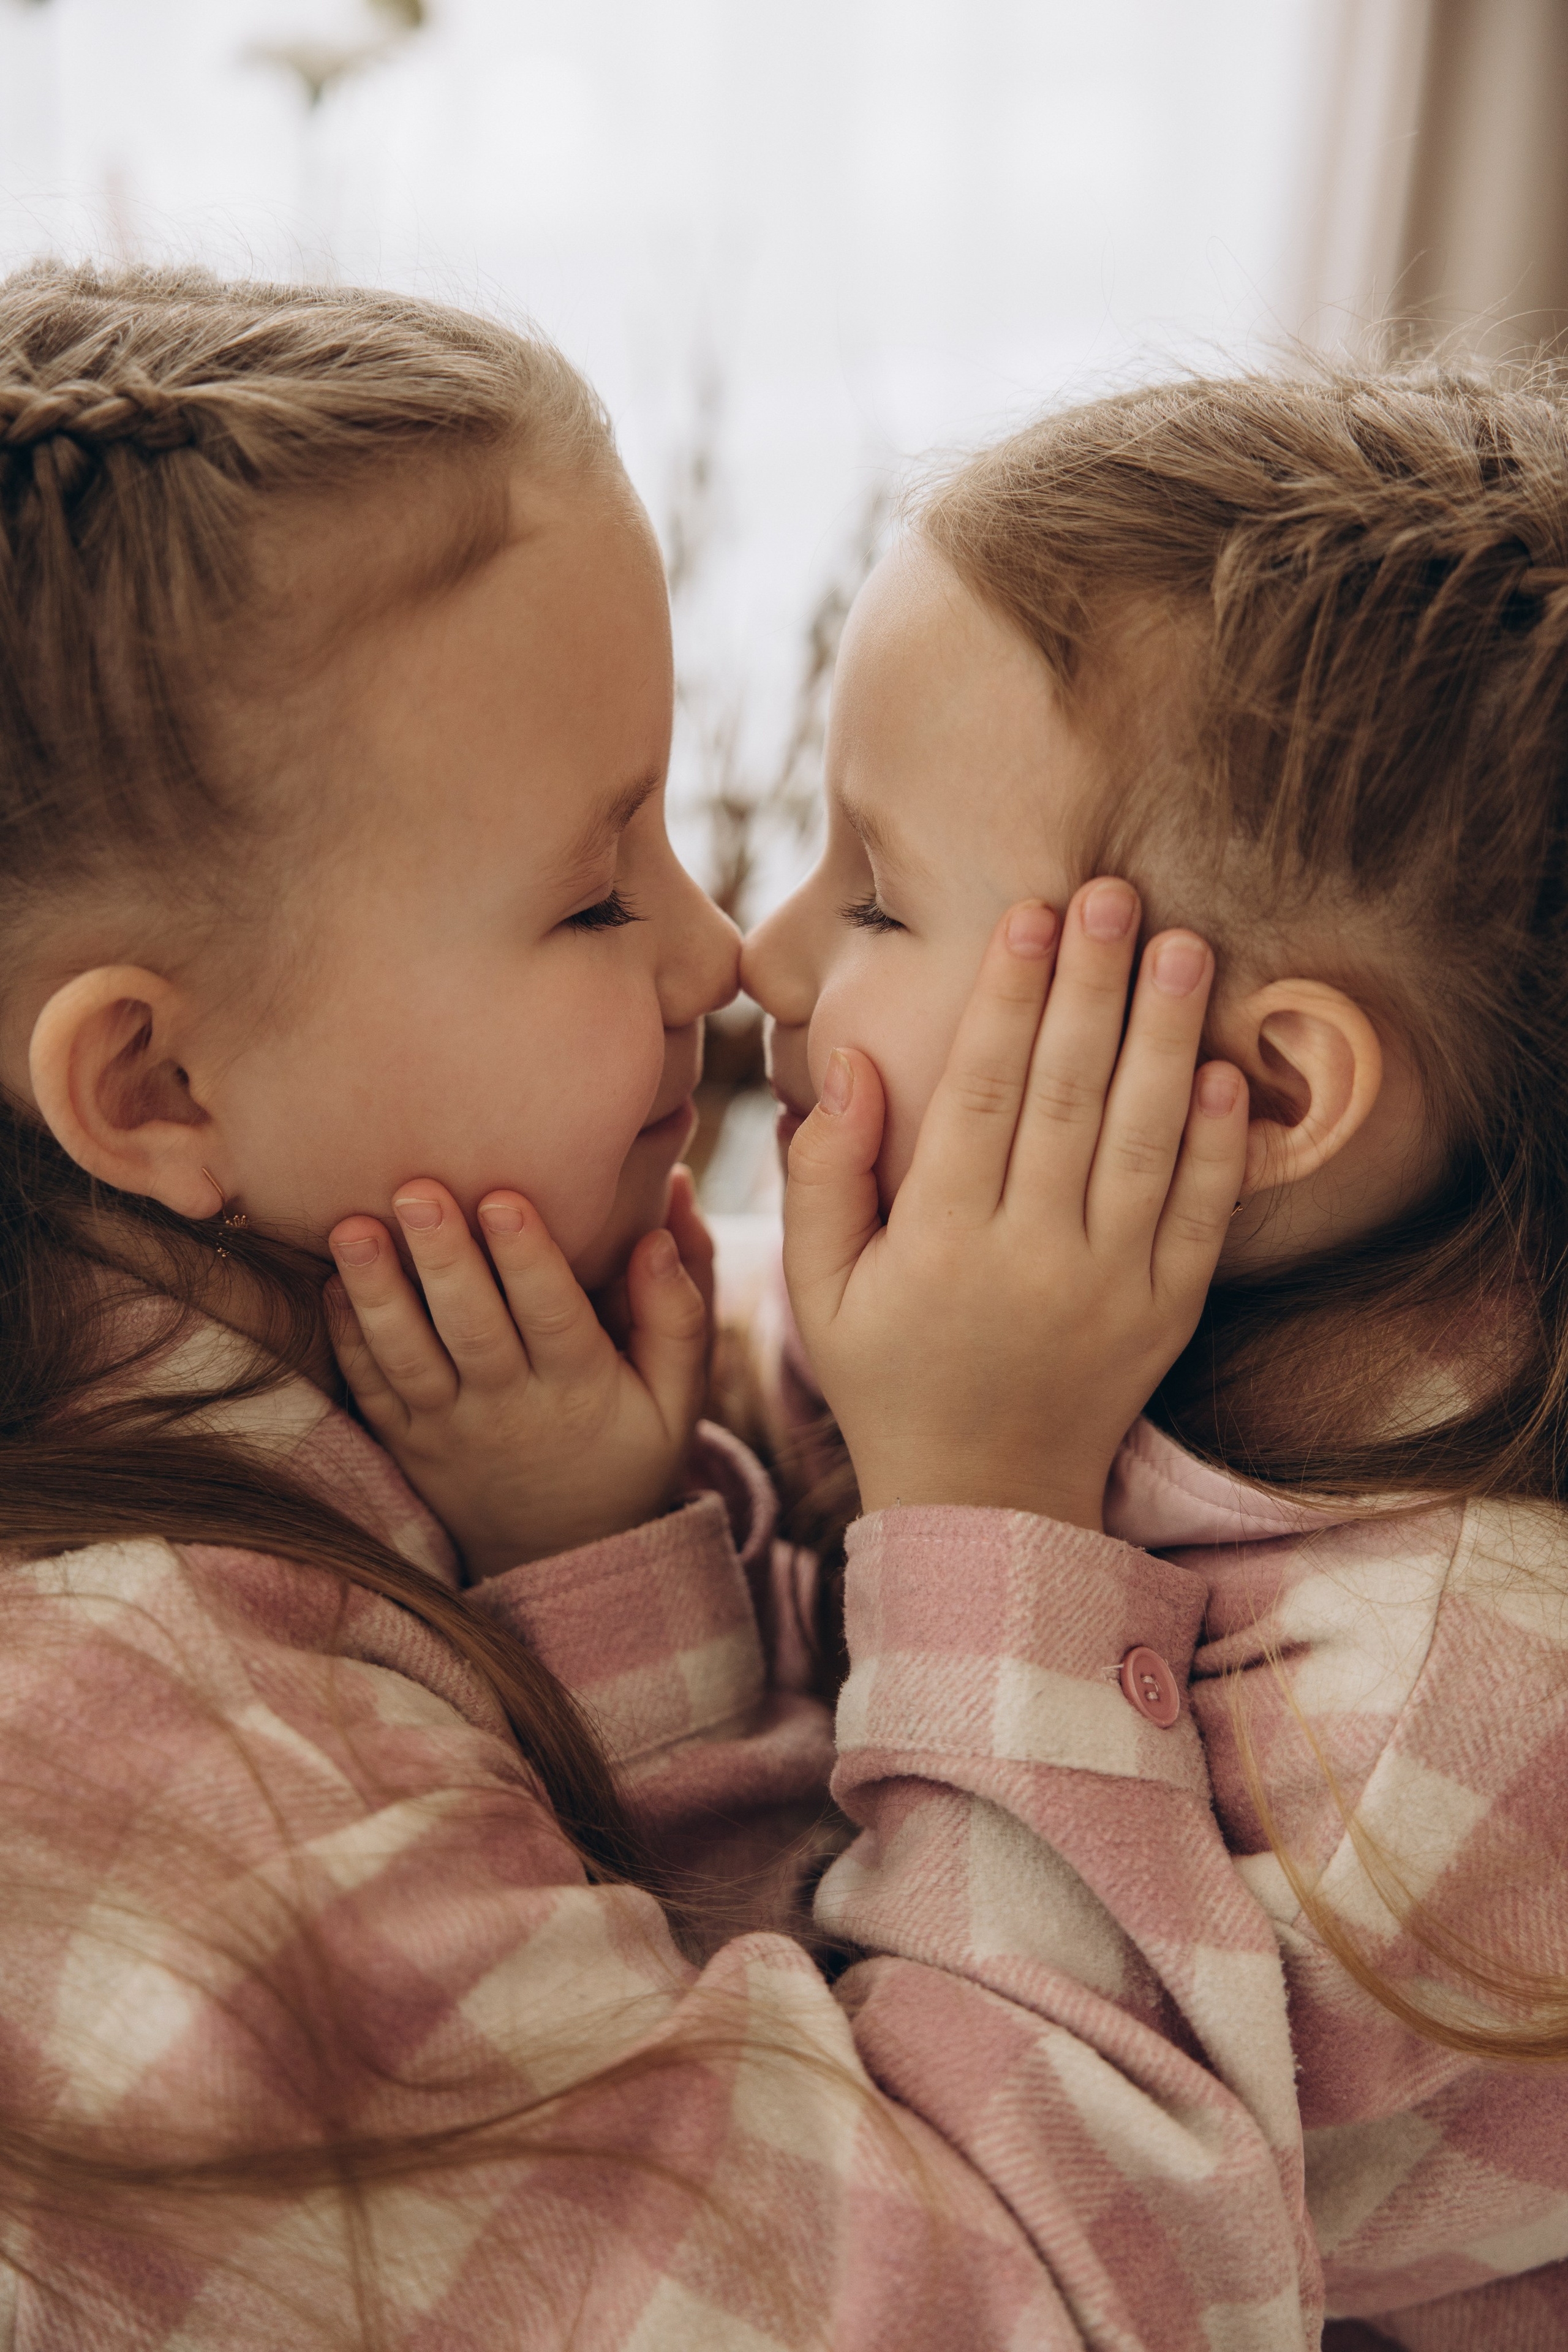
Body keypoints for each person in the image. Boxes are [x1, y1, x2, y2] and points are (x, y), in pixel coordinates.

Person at [0, 261, 1275, 2348]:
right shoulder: (161, 1785)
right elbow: (1031, 2309)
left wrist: (597, 1550)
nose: (723, 957)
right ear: (156, 1087)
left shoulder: (395, 1366)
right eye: (597, 892)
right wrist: (993, 1501)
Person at [740, 365, 1568, 2351]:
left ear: (1260, 1095)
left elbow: (894, 2182)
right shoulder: (1003, 1317)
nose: (763, 954)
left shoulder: (1461, 1724)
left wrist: (978, 1503)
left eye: (876, 896)